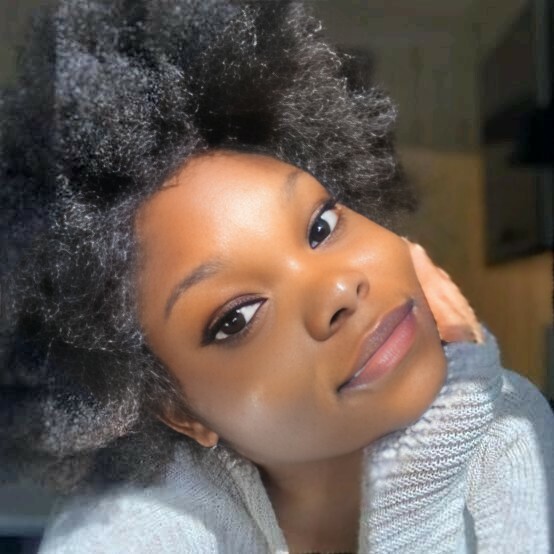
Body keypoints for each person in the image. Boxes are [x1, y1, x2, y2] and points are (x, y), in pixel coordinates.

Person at [0, 1, 552, 553]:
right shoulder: (132, 529)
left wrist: (454, 429)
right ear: (181, 411)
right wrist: (429, 474)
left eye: (321, 226)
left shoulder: (507, 424)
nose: (337, 290)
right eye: (237, 317)